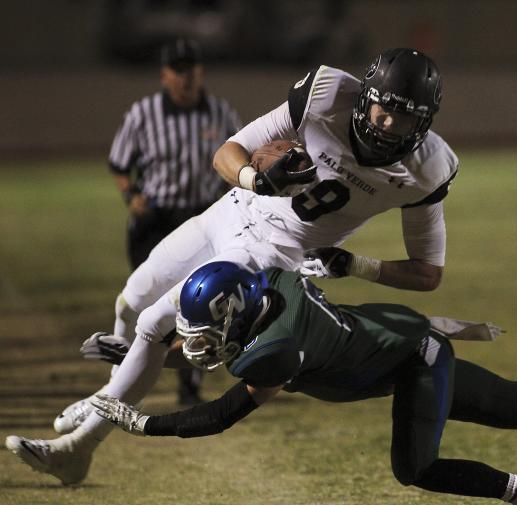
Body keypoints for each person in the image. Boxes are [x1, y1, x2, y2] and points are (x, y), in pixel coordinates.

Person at [5, 48, 459, 485]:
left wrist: (355, 264)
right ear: (364, 96)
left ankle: (79, 447)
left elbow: (427, 273)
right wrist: (257, 178)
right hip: (231, 211)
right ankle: (109, 392)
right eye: (384, 108)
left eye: (406, 117)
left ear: (425, 122)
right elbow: (229, 152)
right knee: (131, 298)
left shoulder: (426, 171)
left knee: (154, 321)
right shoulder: (324, 96)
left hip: (268, 252)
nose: (389, 124)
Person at [86, 261, 517, 504]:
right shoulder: (273, 289)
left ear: (237, 316)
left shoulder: (274, 350)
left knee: (415, 467)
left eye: (207, 331)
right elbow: (212, 350)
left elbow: (221, 415)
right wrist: (141, 352)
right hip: (398, 341)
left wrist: (143, 423)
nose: (198, 344)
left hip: (416, 357)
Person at [79, 37, 242, 417]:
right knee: (144, 301)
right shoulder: (143, 114)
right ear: (165, 75)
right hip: (155, 220)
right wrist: (131, 196)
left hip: (199, 218)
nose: (187, 79)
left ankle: (189, 384)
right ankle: (122, 376)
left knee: (197, 303)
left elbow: (238, 153)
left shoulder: (220, 113)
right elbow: (120, 162)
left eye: (193, 70)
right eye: (179, 71)